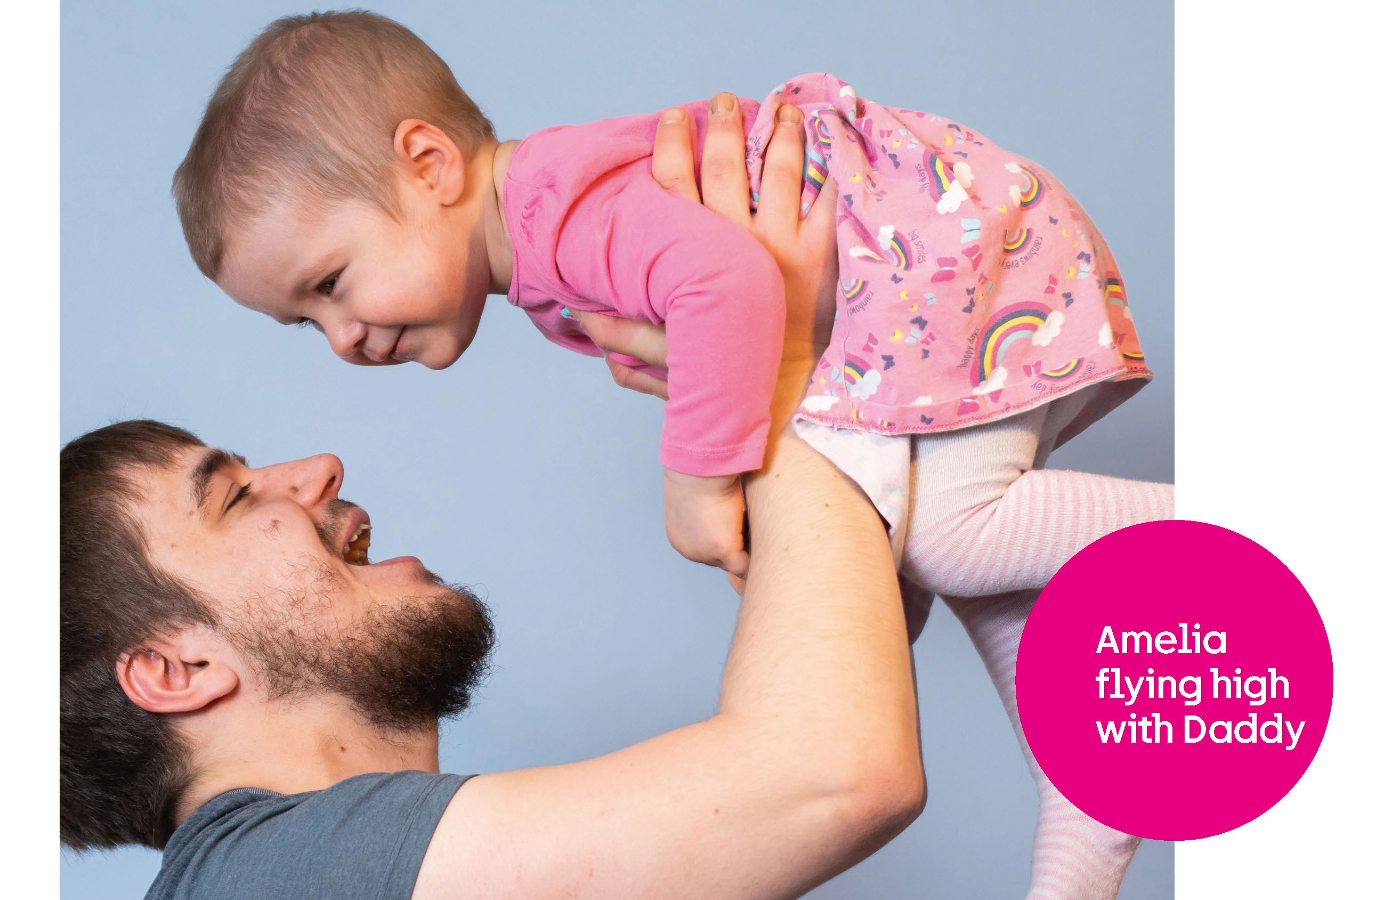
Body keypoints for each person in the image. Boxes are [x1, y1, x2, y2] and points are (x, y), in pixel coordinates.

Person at [170, 12, 1170, 896]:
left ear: (429, 165)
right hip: (904, 298)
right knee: (995, 618)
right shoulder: (540, 242)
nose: (342, 336)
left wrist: (693, 486)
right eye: (307, 323)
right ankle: (1085, 841)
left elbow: (731, 279)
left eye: (333, 282)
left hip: (936, 251)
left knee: (952, 538)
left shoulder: (552, 207)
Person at [60, 97, 925, 899]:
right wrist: (790, 368)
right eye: (235, 499)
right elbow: (834, 770)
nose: (318, 467)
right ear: (177, 671)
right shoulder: (271, 878)